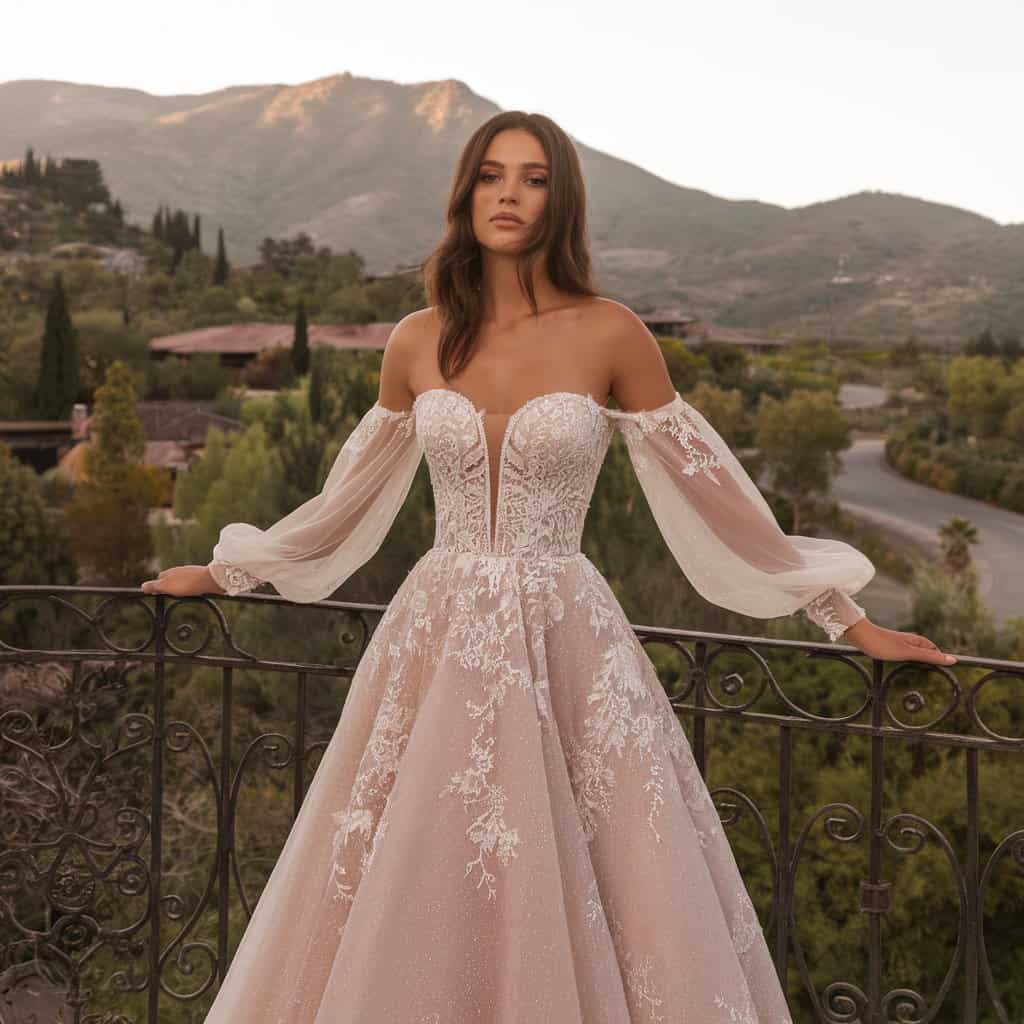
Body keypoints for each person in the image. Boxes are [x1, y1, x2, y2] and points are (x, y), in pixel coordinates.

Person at [141, 110, 956, 1023]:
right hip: (436, 638)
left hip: (565, 641)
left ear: (559, 201)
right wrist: (227, 573)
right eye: (492, 175)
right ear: (466, 192)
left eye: (532, 179)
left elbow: (717, 499)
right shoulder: (417, 338)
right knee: (419, 859)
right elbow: (347, 499)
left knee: (589, 872)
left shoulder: (612, 333)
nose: (509, 195)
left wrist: (849, 619)